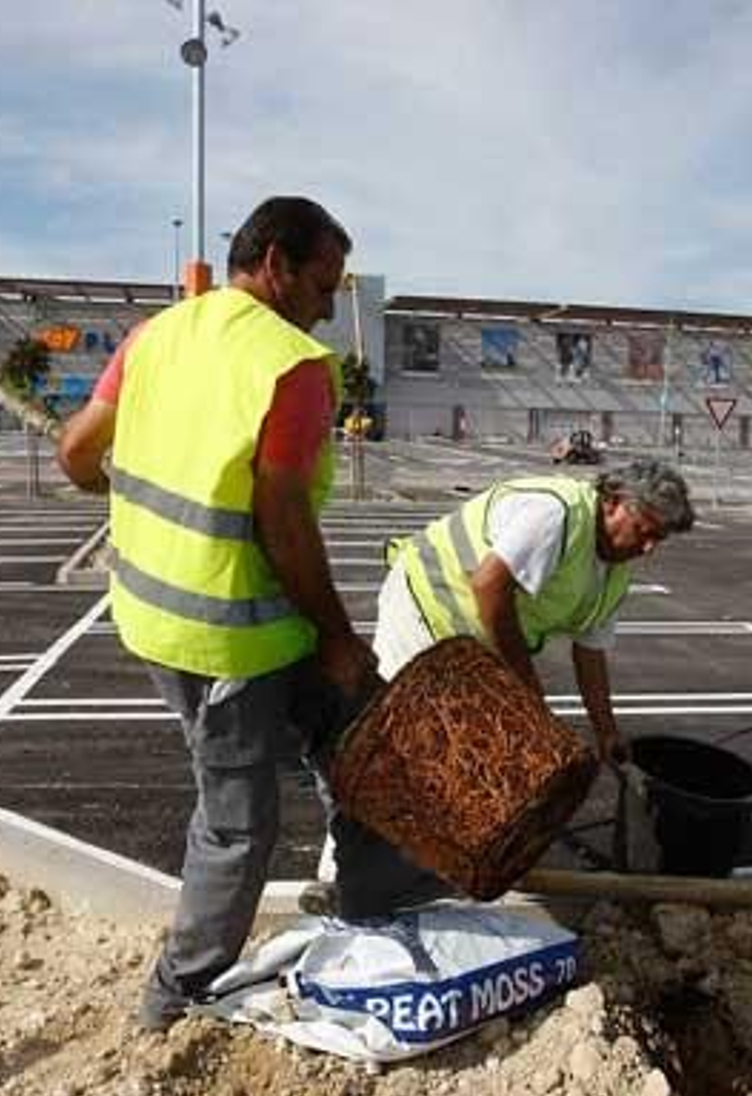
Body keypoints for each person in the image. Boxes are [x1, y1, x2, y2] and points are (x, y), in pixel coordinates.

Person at [56, 196, 437, 1032]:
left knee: (360, 733)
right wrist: (340, 639)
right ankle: (176, 993)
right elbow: (283, 519)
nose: (329, 309)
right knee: (236, 822)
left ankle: (373, 900)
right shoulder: (290, 365)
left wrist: (113, 487)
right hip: (232, 634)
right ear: (276, 264)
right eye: (323, 286)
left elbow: (77, 451)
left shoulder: (158, 335)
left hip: (165, 616)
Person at [311, 457, 696, 891]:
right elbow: (488, 585)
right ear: (612, 502)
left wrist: (606, 731)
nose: (647, 548)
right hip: (425, 607)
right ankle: (340, 877)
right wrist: (524, 687)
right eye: (644, 531)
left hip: (472, 645)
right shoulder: (556, 514)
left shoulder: (614, 573)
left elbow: (590, 652)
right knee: (401, 747)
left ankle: (433, 865)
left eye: (658, 540)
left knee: (465, 755)